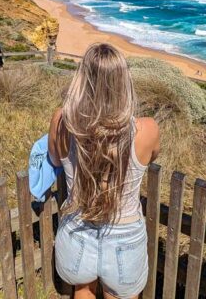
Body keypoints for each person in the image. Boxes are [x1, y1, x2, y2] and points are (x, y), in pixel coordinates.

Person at [48, 43, 161, 299]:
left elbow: (54, 159)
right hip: (124, 234)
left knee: (82, 290)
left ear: (81, 79)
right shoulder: (147, 129)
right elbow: (153, 155)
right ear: (123, 81)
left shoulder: (61, 120)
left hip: (76, 226)